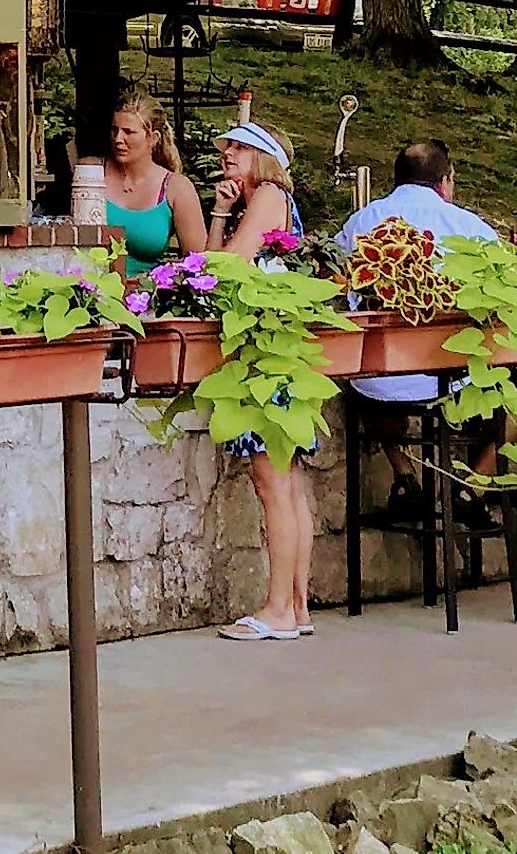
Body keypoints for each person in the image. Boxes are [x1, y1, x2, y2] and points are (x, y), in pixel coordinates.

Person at [339, 139, 502, 524]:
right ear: (445, 181)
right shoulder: (469, 227)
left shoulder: (363, 220)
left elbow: (335, 277)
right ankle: (472, 485)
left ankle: (404, 474)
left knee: (367, 383)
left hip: (380, 377)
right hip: (452, 378)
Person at [211, 119, 317, 644]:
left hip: (266, 350)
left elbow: (228, 265)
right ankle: (296, 604)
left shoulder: (271, 194)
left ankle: (278, 606)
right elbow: (209, 258)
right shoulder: (262, 201)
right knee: (288, 481)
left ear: (264, 158)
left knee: (272, 480)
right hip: (282, 347)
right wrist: (220, 213)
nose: (227, 154)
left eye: (238, 147)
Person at [104, 88, 209, 279]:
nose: (118, 139)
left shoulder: (176, 188)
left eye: (128, 132)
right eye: (114, 130)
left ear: (153, 138)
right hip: (89, 294)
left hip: (147, 297)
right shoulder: (92, 174)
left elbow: (198, 262)